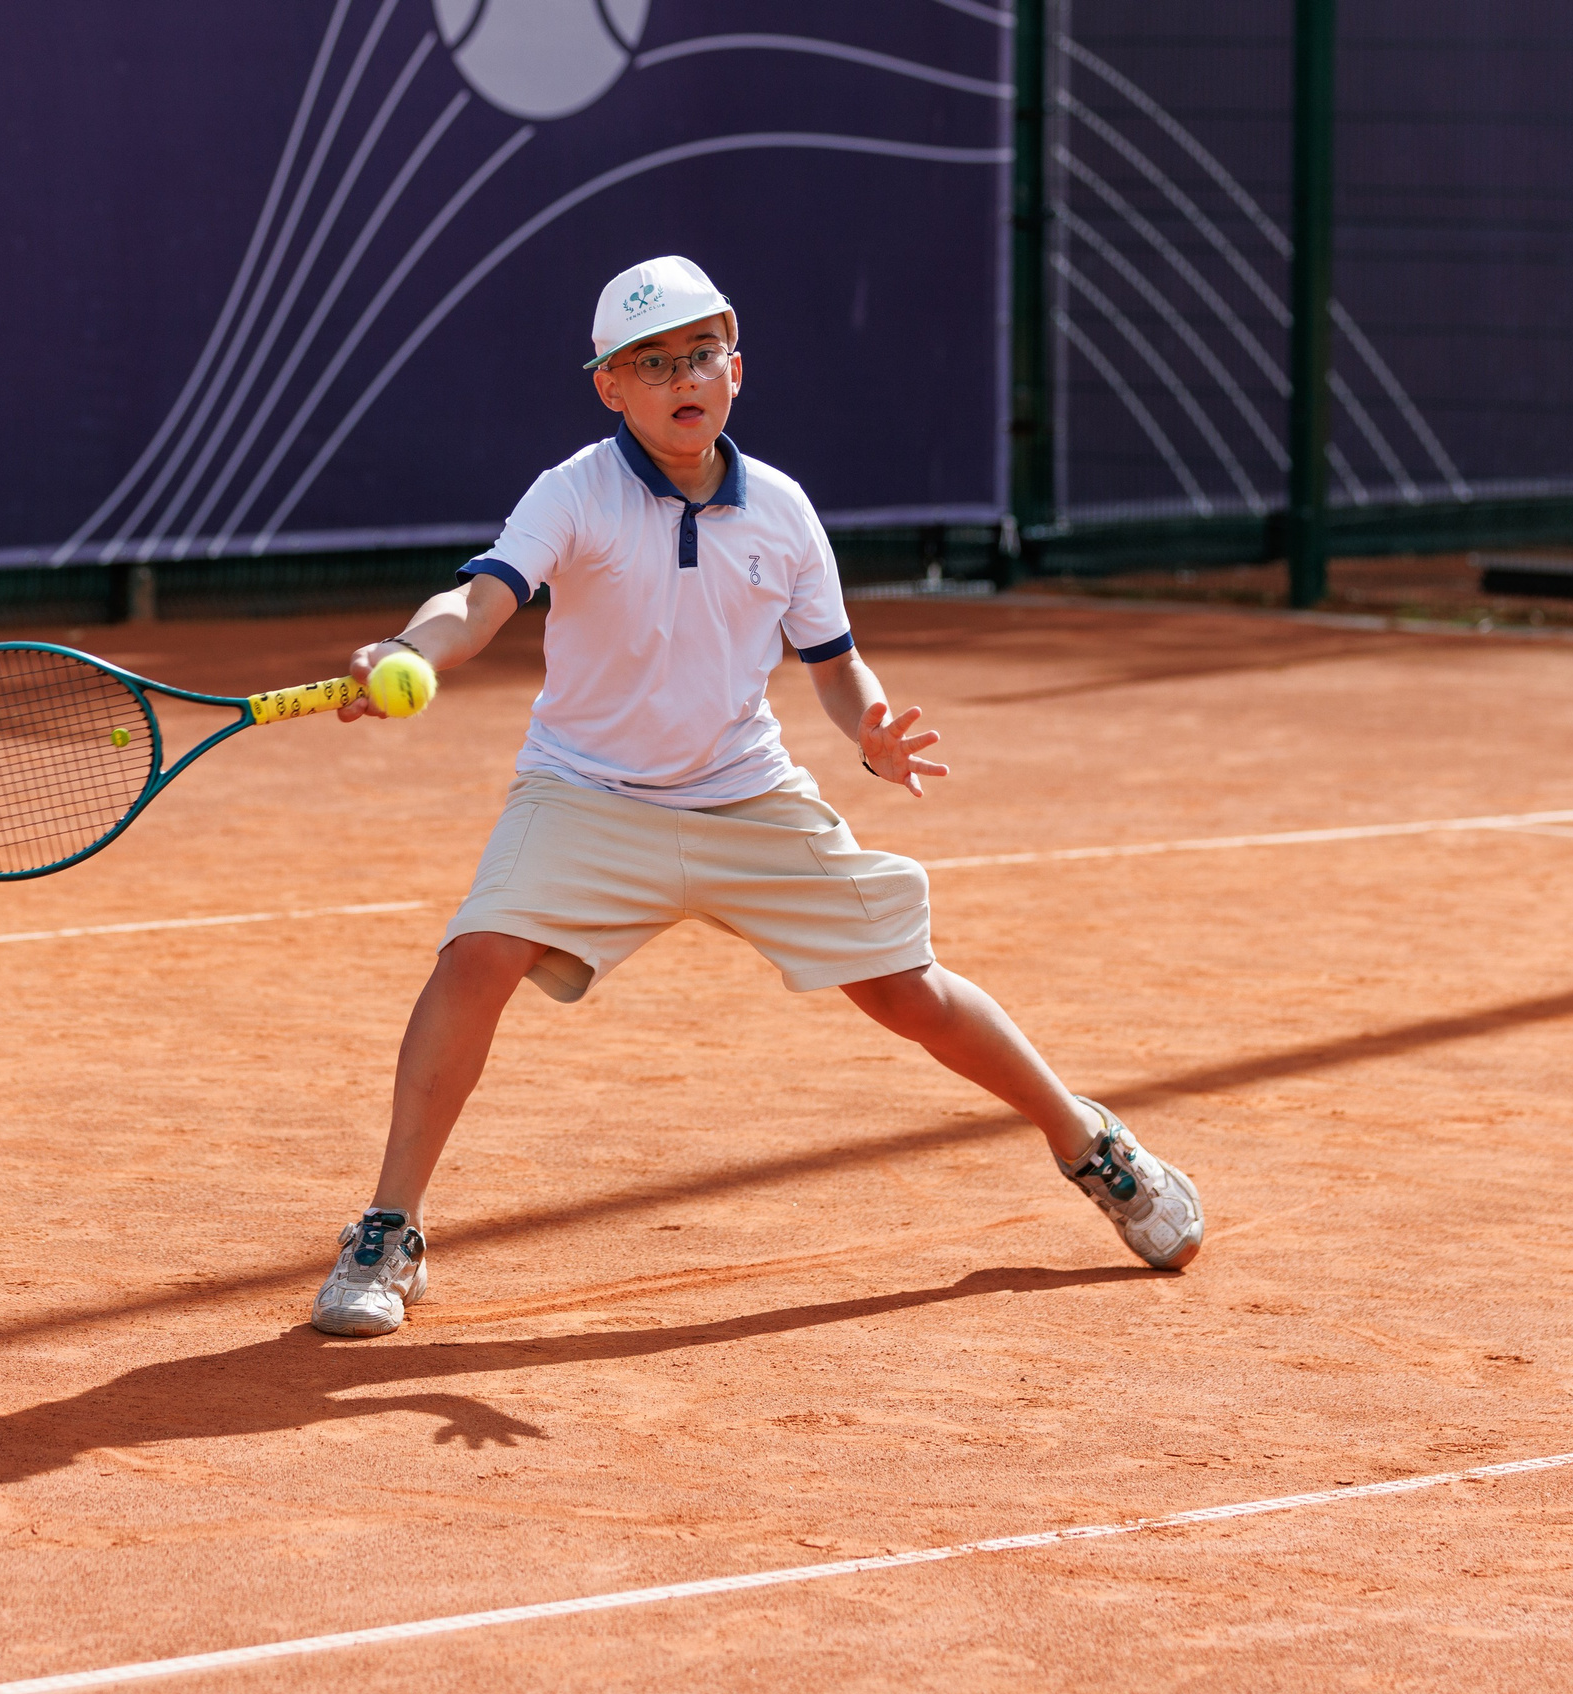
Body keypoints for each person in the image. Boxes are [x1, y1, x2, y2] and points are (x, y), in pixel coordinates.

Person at [312, 256, 1200, 1337]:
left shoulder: (779, 509)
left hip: (747, 797)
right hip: (588, 794)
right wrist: (411, 648)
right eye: (653, 362)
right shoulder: (573, 491)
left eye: (701, 353)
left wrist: (866, 726)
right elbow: (481, 598)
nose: (683, 375)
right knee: (476, 954)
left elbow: (832, 663)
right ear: (610, 387)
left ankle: (1088, 1140)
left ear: (735, 368)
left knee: (904, 992)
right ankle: (390, 1226)